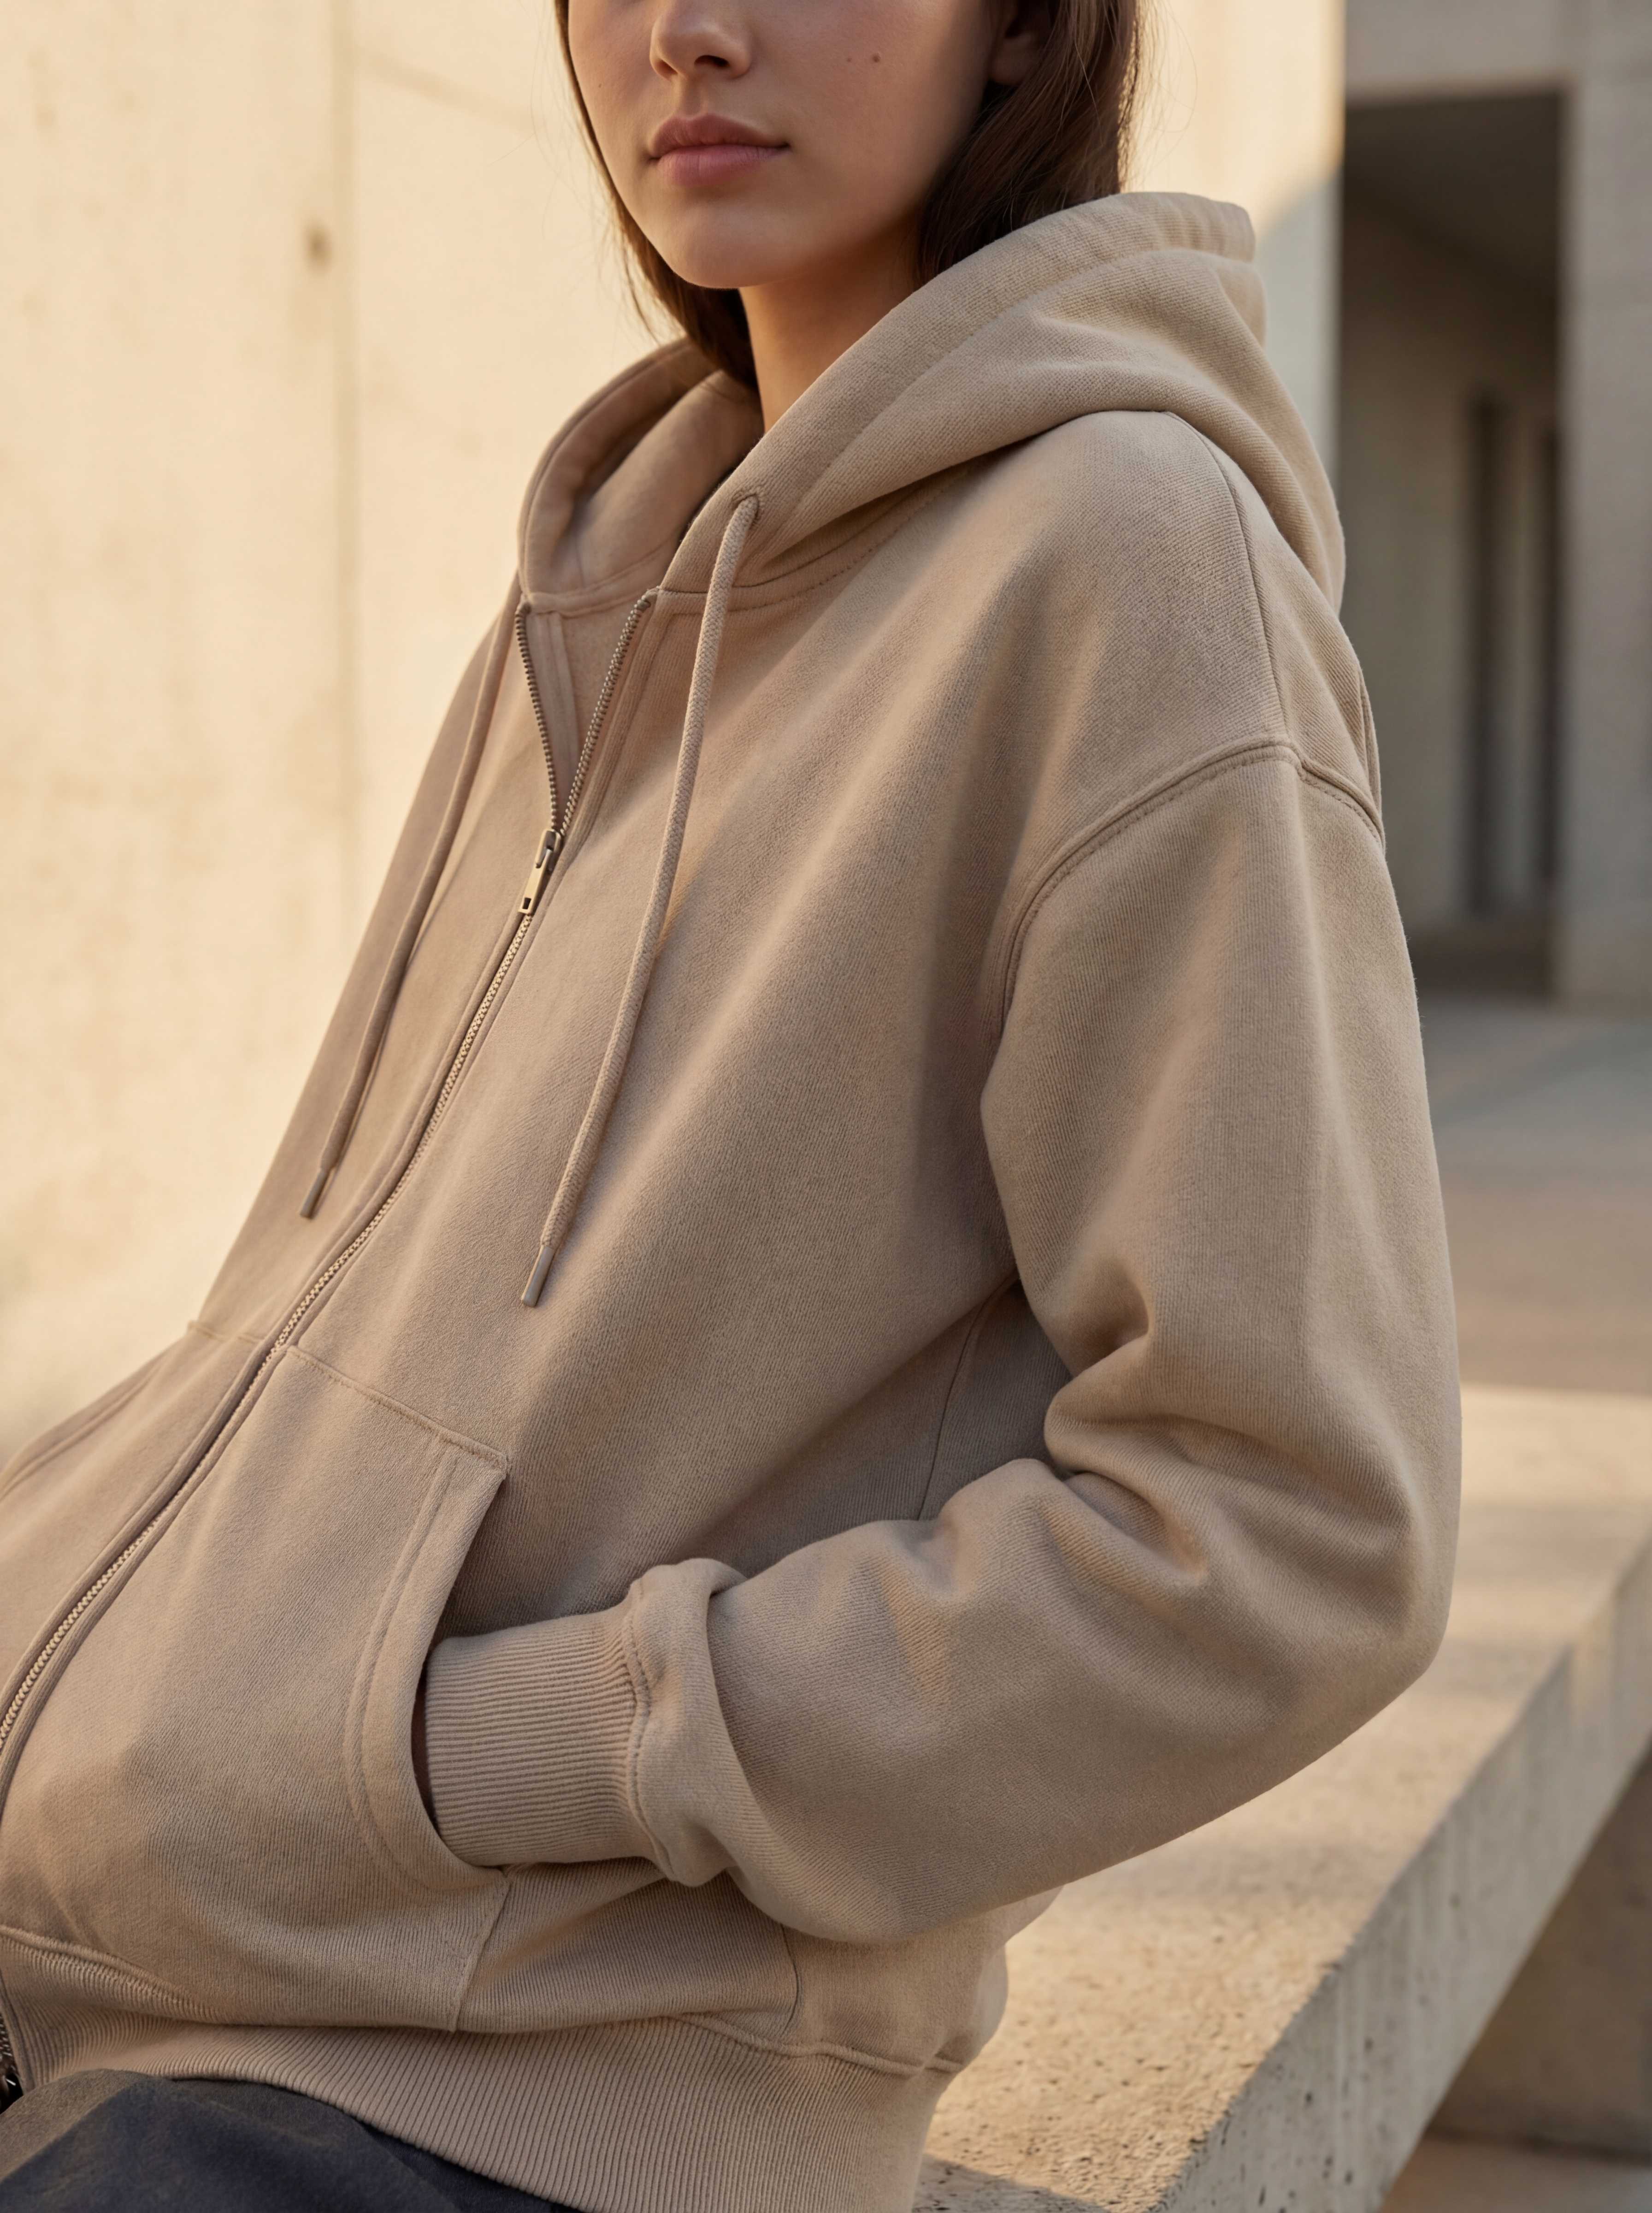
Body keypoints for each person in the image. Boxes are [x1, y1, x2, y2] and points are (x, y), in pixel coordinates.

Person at [0, 0, 1462, 2201]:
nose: (690, 29)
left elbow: (1288, 1535)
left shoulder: (1130, 571)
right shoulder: (610, 587)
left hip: (515, 2096)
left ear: (1022, 34)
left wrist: (528, 1742)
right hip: (184, 1947)